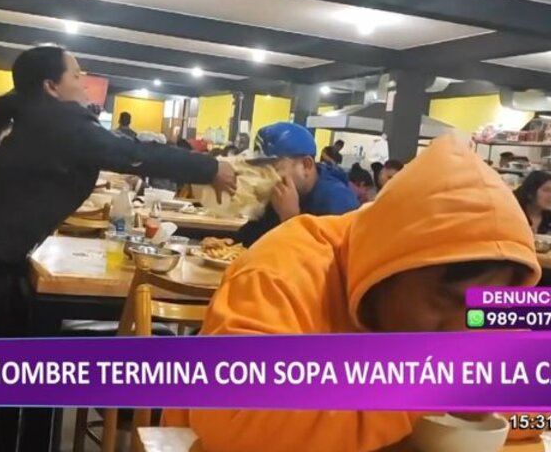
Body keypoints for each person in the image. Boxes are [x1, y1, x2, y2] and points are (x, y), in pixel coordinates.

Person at [0, 45, 236, 452]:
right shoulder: (60, 122)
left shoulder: (39, 117)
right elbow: (133, 154)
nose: (83, 82)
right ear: (51, 85)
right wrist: (210, 167)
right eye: (76, 75)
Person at [164, 134, 541, 451]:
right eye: (446, 300)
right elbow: (234, 416)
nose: (463, 331)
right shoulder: (282, 267)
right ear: (388, 266)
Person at [237, 122, 359, 247]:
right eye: (261, 168)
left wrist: (290, 219)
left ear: (306, 166)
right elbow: (248, 240)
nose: (265, 176)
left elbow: (332, 256)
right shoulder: (280, 194)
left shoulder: (338, 201)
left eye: (273, 168)